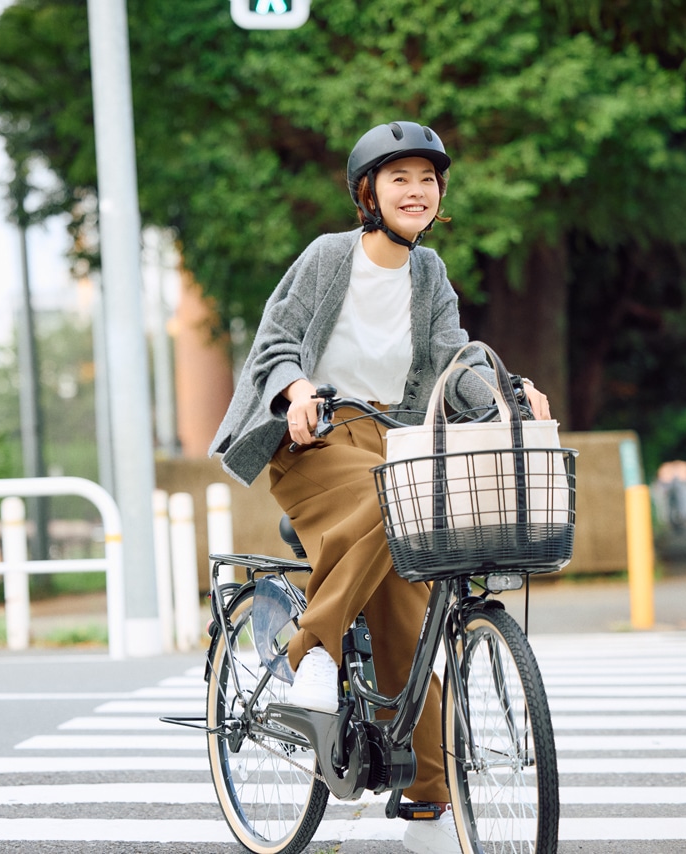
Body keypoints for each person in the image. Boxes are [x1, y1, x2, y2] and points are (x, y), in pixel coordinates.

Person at [208, 120, 551, 854]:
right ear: (368, 193)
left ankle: (428, 790)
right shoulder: (330, 257)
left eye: (427, 180)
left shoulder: (430, 275)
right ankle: (313, 648)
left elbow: (455, 361)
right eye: (400, 179)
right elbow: (276, 341)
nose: (416, 191)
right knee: (390, 507)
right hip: (316, 442)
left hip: (395, 442)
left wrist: (513, 394)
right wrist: (297, 391)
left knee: (410, 598)